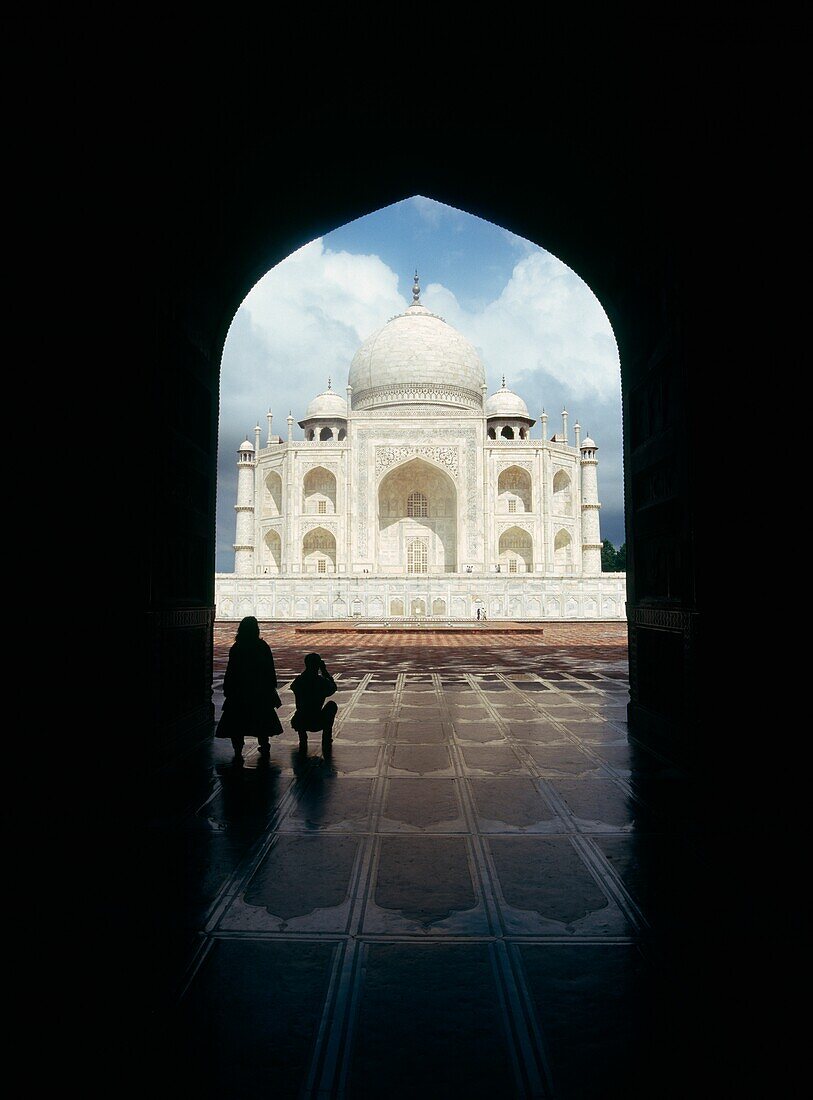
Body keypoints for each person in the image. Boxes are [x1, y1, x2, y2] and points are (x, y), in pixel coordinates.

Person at [215, 616, 282, 762]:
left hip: (239, 691)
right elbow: (269, 669)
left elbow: (231, 670)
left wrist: (228, 688)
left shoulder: (237, 647)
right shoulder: (262, 646)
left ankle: (238, 750)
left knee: (237, 722)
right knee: (261, 720)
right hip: (259, 691)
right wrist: (271, 687)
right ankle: (264, 745)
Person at [290, 652, 337, 756]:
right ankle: (326, 738)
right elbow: (333, 688)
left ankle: (302, 737)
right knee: (332, 705)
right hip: (316, 720)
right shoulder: (321, 681)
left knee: (302, 710)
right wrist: (324, 671)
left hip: (300, 720)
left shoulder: (299, 680)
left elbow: (294, 687)